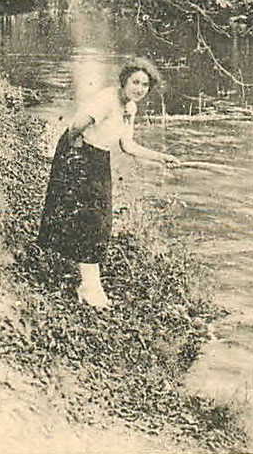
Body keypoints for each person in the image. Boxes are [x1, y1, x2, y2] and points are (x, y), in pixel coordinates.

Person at [37, 58, 177, 308]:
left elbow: (127, 145)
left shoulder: (130, 108)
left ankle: (85, 280)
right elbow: (77, 124)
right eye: (135, 82)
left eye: (145, 85)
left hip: (99, 159)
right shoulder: (107, 99)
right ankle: (89, 286)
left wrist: (161, 158)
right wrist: (75, 150)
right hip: (79, 152)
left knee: (97, 221)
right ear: (124, 81)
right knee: (89, 219)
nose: (139, 88)